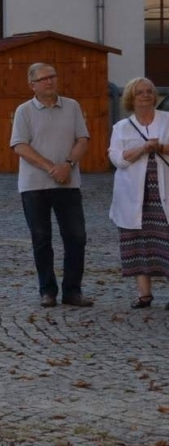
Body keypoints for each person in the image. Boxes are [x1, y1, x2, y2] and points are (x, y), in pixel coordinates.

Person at [9, 62, 92, 307]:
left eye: (52, 77)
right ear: (32, 85)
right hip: (34, 186)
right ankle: (47, 290)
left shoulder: (72, 106)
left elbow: (83, 139)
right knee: (41, 238)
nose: (50, 81)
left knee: (76, 237)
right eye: (44, 79)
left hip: (68, 183)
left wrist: (67, 164)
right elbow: (19, 146)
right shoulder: (24, 111)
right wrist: (50, 168)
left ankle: (72, 291)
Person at [107, 77, 169, 309]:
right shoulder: (121, 127)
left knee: (166, 242)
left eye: (149, 91)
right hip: (134, 195)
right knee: (138, 243)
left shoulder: (167, 120)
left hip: (163, 192)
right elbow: (116, 159)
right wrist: (143, 148)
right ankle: (144, 295)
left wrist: (160, 147)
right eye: (140, 92)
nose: (145, 95)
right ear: (131, 98)